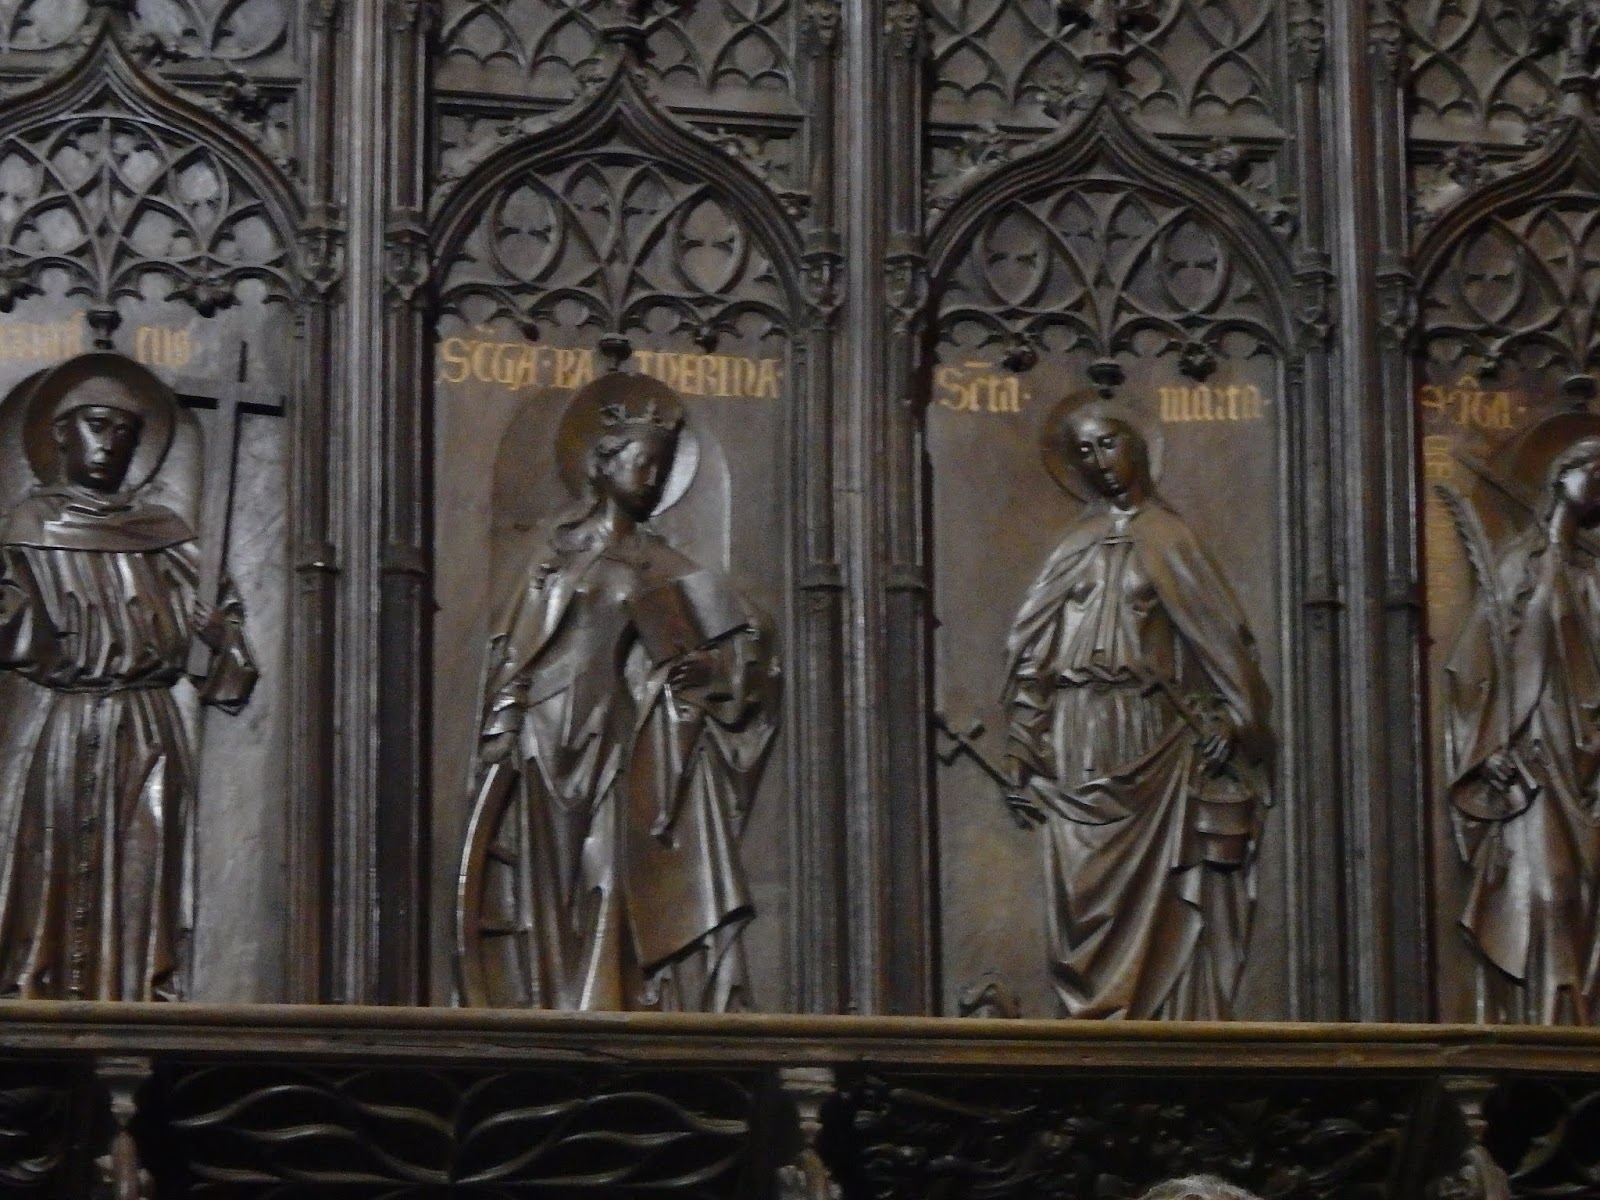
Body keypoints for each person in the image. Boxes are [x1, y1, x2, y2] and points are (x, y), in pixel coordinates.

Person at [457, 373, 778, 1012]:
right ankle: (551, 1003)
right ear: (603, 465)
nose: (653, 479)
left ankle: (605, 1005)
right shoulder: (558, 554)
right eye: (641, 462)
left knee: (610, 869)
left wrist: (709, 676)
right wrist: (503, 720)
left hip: (622, 737)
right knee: (550, 888)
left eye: (661, 467)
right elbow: (518, 648)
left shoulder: (665, 565)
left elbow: (743, 644)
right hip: (547, 735)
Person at [1003, 399, 1272, 1019]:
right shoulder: (1075, 546)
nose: (1098, 461)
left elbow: (1221, 645)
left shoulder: (1171, 540)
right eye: (1084, 451)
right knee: (1081, 885)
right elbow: (1035, 653)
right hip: (1075, 731)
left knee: (1161, 890)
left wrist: (1230, 719)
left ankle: (1159, 1015)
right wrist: (1022, 741)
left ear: (1139, 447)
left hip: (1150, 736)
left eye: (1108, 443)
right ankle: (1093, 1013)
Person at [0, 353, 256, 1002]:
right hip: (65, 720)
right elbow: (14, 625)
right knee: (52, 850)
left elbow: (224, 645)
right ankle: (38, 987)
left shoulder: (163, 534)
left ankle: (140, 990)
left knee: (147, 857)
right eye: (96, 425)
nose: (109, 442)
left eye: (123, 431)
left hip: (144, 723)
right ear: (60, 434)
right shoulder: (29, 529)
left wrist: (217, 638)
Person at [1443, 434, 1600, 1025]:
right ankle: (1550, 1024)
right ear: (1562, 475)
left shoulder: (1594, 573)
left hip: (1591, 754)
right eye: (1596, 469)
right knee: (1550, 888)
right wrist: (1487, 748)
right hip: (1537, 754)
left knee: (1587, 895)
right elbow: (1470, 668)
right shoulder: (1519, 565)